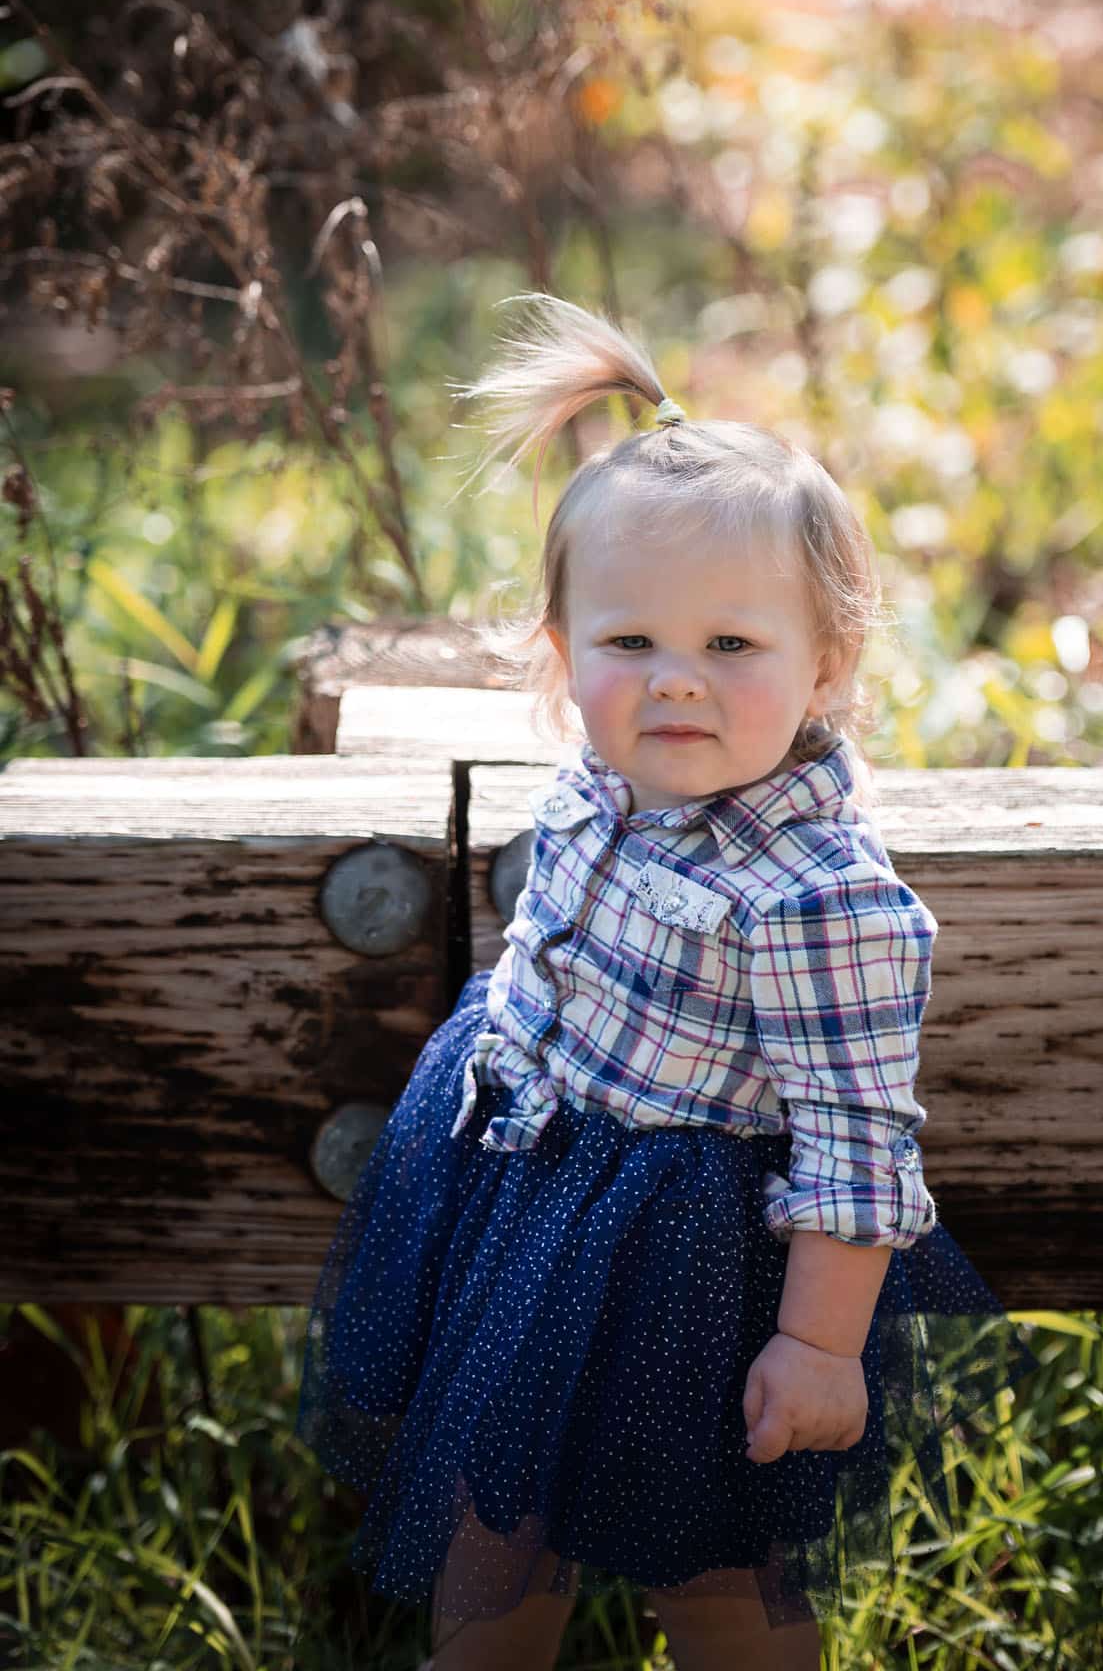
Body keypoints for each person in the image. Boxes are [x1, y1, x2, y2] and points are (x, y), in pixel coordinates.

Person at [293, 293, 1039, 1671]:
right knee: (491, 1523)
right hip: (525, 1190)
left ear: (828, 662)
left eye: (733, 647)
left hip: (692, 1260)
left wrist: (818, 1350)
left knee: (714, 1568)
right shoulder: (610, 773)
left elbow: (858, 1140)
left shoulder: (819, 897)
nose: (677, 684)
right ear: (563, 652)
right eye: (630, 644)